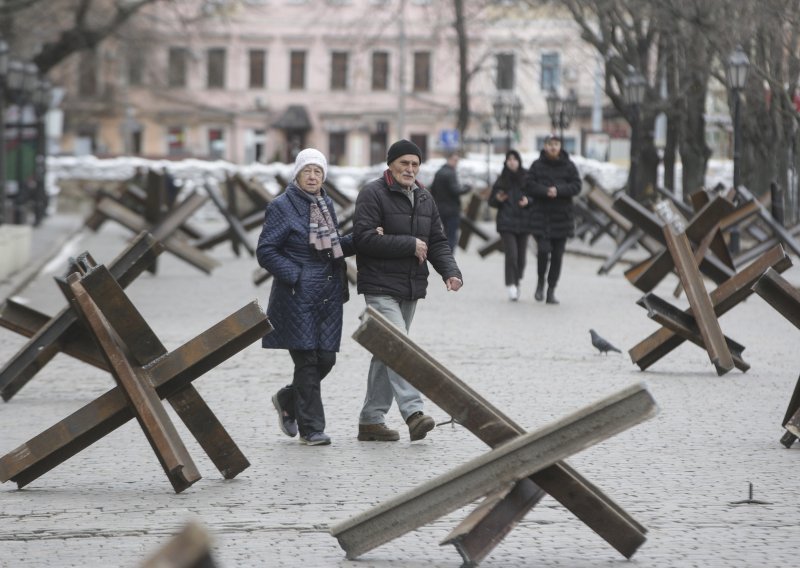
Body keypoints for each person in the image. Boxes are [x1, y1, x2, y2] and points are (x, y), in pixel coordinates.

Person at [353, 139, 463, 442]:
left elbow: (437, 241)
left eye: (415, 164)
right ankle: (414, 413)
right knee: (400, 347)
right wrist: (409, 243)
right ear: (391, 164)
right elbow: (362, 239)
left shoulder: (425, 198)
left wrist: (450, 272)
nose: (410, 169)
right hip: (379, 286)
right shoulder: (372, 194)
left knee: (387, 351)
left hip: (410, 286)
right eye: (404, 163)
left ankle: (371, 421)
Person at [257, 148, 355, 446]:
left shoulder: (325, 204)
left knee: (326, 359)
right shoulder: (281, 206)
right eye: (307, 171)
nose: (313, 176)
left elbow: (332, 247)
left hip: (327, 295)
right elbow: (266, 250)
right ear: (297, 174)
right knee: (308, 362)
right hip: (296, 296)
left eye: (318, 171)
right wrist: (296, 275)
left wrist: (363, 238)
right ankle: (312, 429)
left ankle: (287, 397)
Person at [524, 134, 581, 305]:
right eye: (550, 144)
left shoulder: (569, 166)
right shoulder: (536, 165)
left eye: (556, 144)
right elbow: (528, 184)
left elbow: (577, 186)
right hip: (541, 217)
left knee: (557, 256)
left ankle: (551, 290)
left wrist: (559, 190)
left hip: (562, 218)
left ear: (560, 146)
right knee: (543, 251)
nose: (553, 147)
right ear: (545, 146)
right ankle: (540, 281)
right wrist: (545, 191)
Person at [488, 149, 533, 302]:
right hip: (506, 223)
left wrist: (528, 201)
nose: (512, 162)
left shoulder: (527, 177)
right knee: (511, 255)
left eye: (514, 159)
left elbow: (535, 197)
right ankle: (511, 285)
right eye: (509, 159)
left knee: (521, 259)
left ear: (519, 161)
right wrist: (498, 199)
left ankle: (517, 279)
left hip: (524, 222)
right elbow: (491, 201)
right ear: (506, 162)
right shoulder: (501, 179)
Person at [429, 151, 470, 252]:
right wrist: (467, 188)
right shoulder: (451, 173)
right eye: (455, 160)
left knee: (444, 234)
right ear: (450, 159)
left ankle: (443, 256)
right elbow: (455, 190)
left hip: (440, 209)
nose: (457, 163)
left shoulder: (439, 172)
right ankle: (449, 258)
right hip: (451, 210)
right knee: (451, 236)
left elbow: (432, 190)